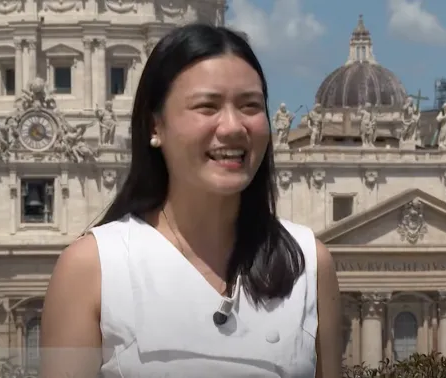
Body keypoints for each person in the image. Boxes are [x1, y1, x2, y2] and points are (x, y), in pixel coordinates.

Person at [40, 23, 342, 378]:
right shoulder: (91, 267)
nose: (232, 126)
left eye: (250, 106)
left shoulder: (308, 263)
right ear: (155, 126)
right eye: (206, 106)